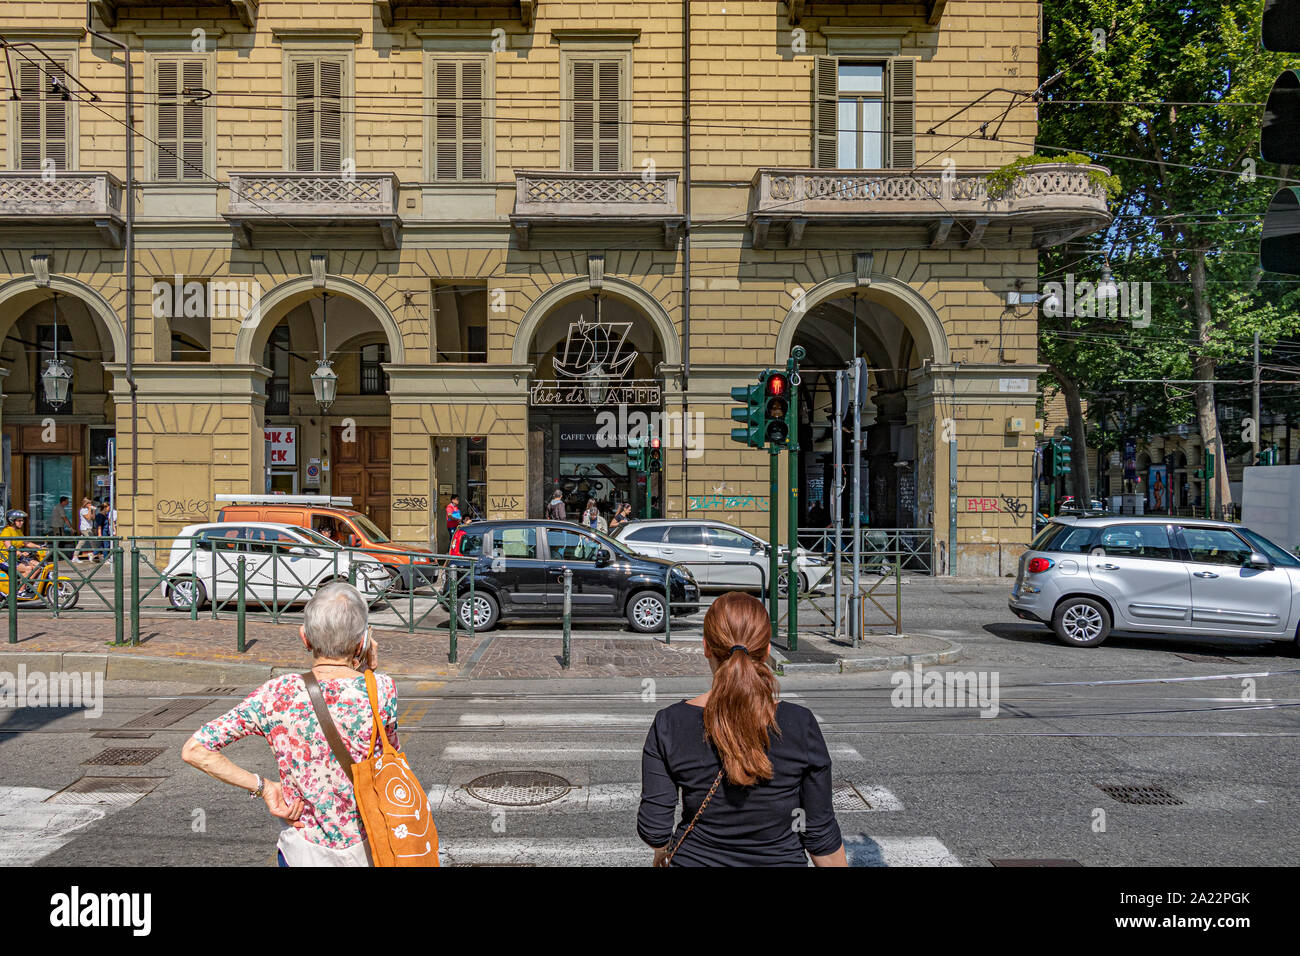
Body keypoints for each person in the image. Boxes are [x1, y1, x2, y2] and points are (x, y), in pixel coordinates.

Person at [181, 583, 400, 867]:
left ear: (305, 638)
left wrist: (264, 787)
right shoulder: (382, 689)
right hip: (368, 849)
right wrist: (369, 669)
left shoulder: (276, 693)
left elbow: (195, 749)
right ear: (362, 642)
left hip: (302, 852)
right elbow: (385, 760)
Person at [638, 591, 847, 867]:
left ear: (706, 647)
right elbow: (820, 835)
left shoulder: (669, 723)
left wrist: (662, 852)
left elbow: (655, 831)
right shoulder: (800, 724)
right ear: (768, 650)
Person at [0, 510, 40, 598]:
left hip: (16, 558)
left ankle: (27, 587)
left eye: (22, 520)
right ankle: (20, 591)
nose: (22, 522)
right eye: (19, 521)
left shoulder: (18, 531)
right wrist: (20, 553)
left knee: (38, 566)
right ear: (12, 521)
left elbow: (25, 543)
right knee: (28, 569)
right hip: (5, 559)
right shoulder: (7, 531)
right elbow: (9, 547)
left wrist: (39, 547)